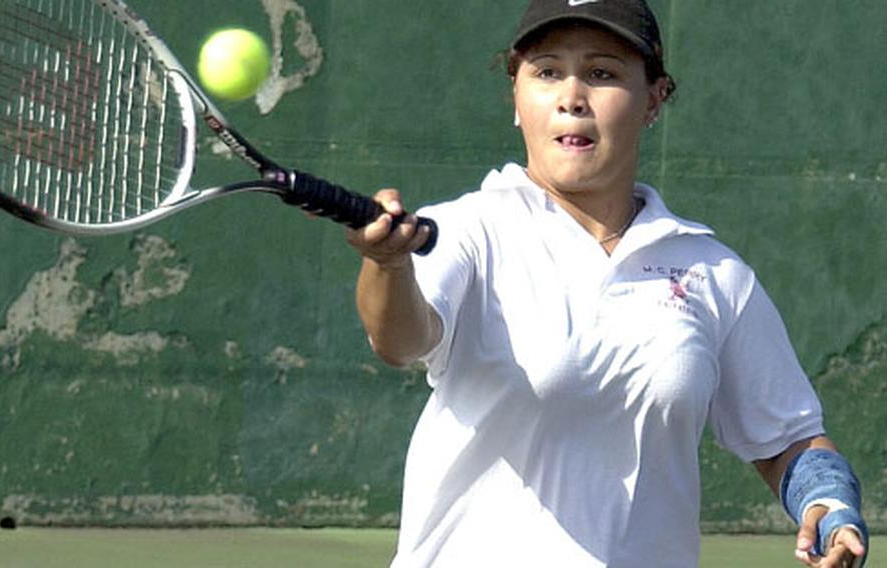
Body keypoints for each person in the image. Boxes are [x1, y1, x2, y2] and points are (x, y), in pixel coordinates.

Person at [346, 0, 870, 566]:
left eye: (602, 73)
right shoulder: (469, 230)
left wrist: (831, 504)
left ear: (653, 99)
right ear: (516, 99)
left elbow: (789, 439)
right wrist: (389, 265)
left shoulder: (714, 274)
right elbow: (399, 340)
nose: (572, 97)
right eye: (547, 72)